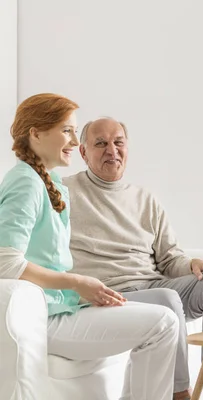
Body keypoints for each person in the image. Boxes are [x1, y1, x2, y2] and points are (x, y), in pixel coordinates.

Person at [0, 93, 179, 400]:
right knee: (162, 323)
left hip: (65, 307)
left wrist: (81, 292)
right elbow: (5, 262)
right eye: (66, 130)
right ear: (37, 133)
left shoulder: (51, 182)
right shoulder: (26, 182)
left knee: (162, 320)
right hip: (46, 317)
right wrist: (78, 282)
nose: (74, 141)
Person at [63, 117, 203, 400]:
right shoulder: (62, 194)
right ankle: (179, 393)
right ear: (83, 152)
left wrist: (192, 263)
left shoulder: (145, 199)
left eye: (118, 142)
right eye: (101, 143)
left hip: (153, 285)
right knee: (168, 301)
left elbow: (170, 258)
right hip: (110, 294)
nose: (112, 150)